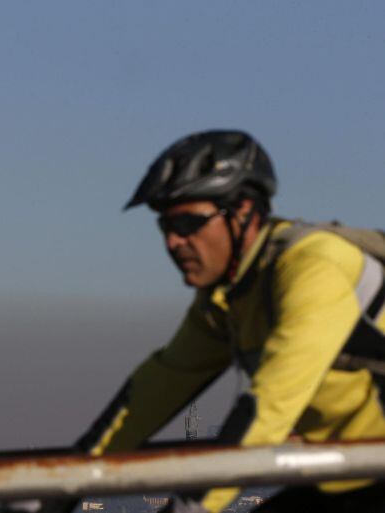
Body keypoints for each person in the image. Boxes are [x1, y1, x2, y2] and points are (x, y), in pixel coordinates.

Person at [71, 130, 385, 512]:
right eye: (165, 227)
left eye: (188, 224)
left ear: (243, 213)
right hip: (353, 475)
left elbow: (269, 406)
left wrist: (194, 506)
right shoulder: (227, 298)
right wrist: (61, 485)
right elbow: (159, 388)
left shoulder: (312, 266)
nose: (173, 242)